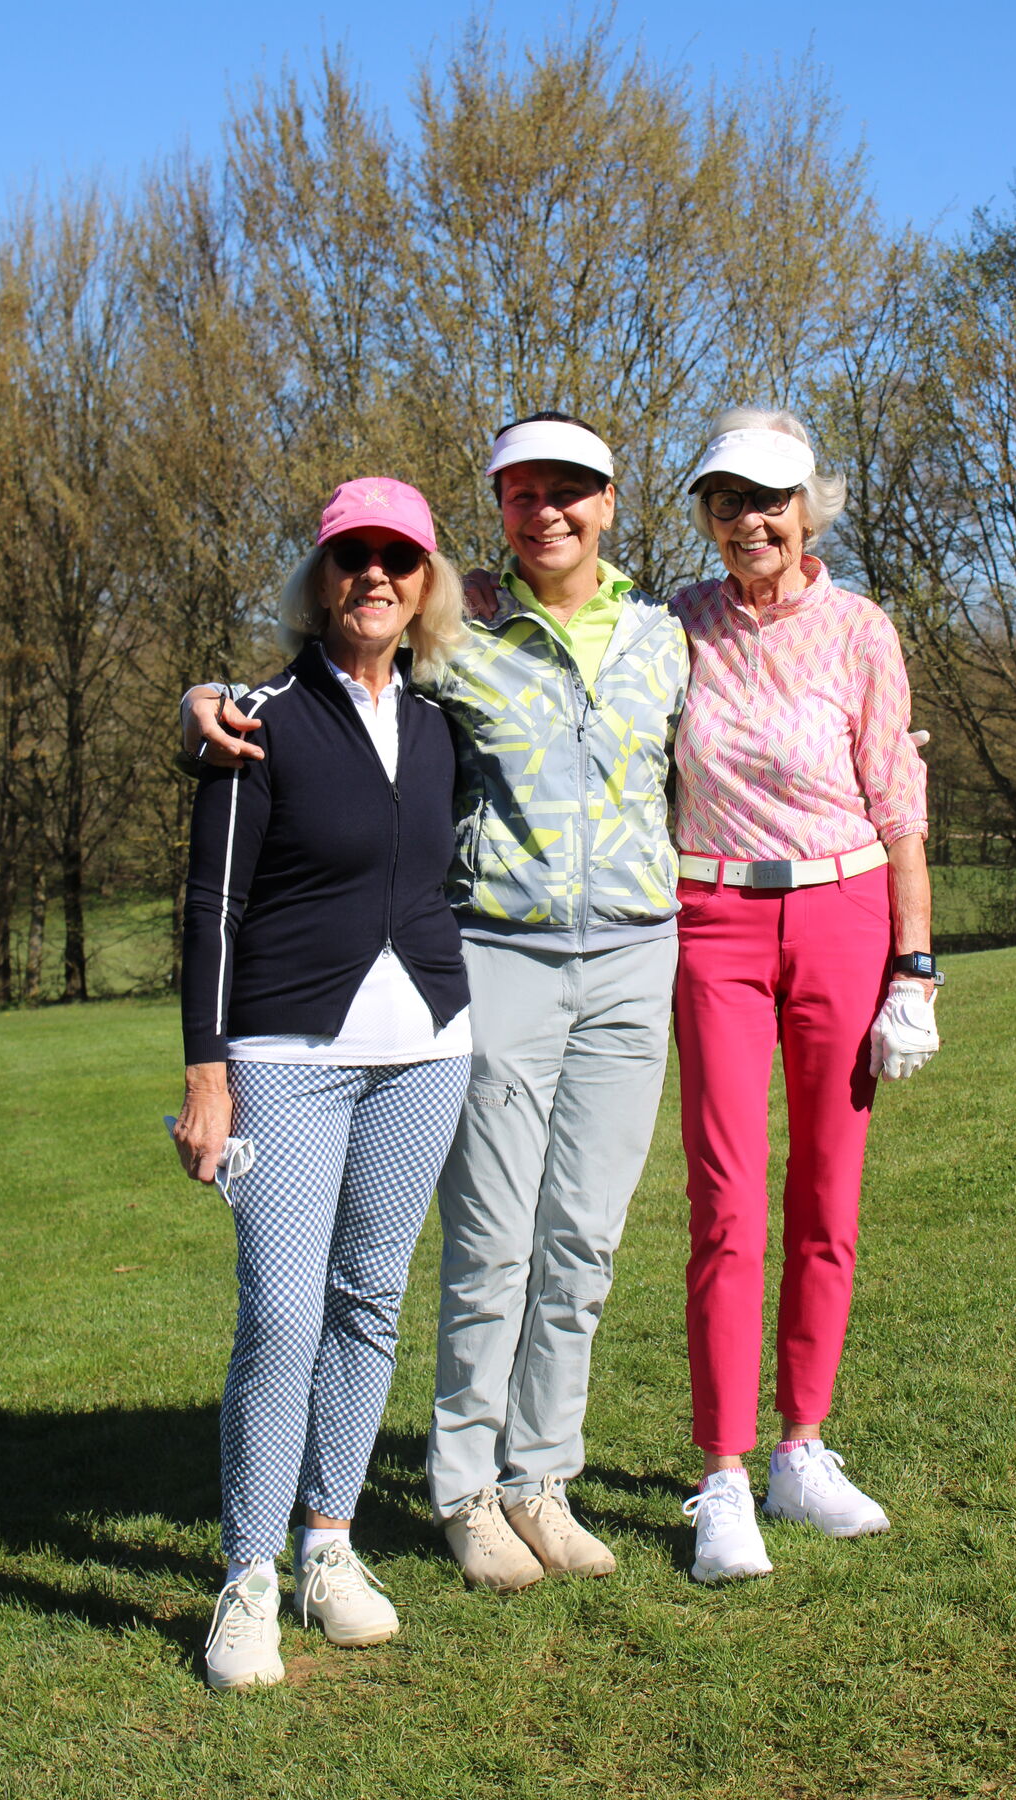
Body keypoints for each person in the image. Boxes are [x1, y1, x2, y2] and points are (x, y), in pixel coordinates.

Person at [180, 416, 690, 1595]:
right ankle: (463, 1493)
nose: (547, 510)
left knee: (584, 1240)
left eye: (570, 489)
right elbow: (310, 695)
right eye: (523, 492)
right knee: (490, 1244)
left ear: (609, 503)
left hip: (629, 960)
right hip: (497, 961)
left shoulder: (667, 635)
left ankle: (540, 1477)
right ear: (499, 511)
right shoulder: (458, 644)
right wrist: (204, 699)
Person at [173, 477, 471, 1688]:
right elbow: (213, 904)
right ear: (321, 575)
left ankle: (330, 1547)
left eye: (399, 558)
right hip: (284, 1059)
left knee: (367, 1301)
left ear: (426, 582)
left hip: (426, 1050)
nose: (375, 576)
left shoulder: (447, 723)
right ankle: (248, 1575)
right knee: (283, 1314)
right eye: (354, 556)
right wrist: (206, 1073)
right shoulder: (257, 719)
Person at [671, 409, 940, 1583]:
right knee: (727, 1200)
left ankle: (801, 1448)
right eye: (729, 501)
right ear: (708, 516)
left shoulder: (861, 629)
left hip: (845, 914)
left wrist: (914, 965)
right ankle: (725, 1474)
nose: (751, 522)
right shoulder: (675, 623)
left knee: (830, 1193)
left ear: (807, 509)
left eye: (770, 501)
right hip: (713, 918)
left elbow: (899, 804)